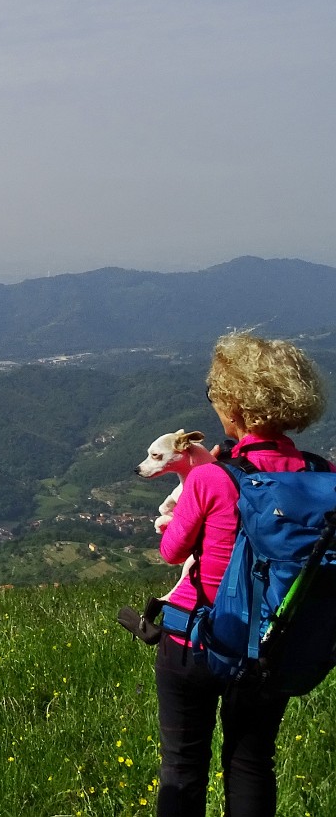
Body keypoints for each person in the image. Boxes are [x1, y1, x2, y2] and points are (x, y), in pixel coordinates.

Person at [154, 331, 329, 817]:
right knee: (252, 764)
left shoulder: (212, 475)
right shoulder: (322, 474)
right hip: (272, 644)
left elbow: (172, 552)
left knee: (183, 769)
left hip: (195, 640)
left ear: (235, 405)